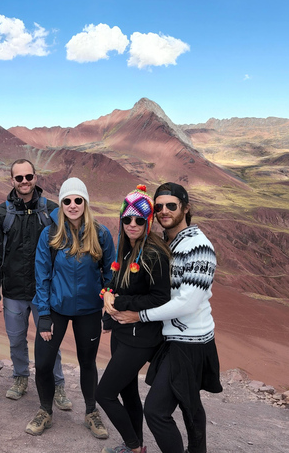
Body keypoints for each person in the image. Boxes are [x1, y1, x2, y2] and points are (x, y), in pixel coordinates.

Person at [112, 183, 222, 453]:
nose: (163, 211)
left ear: (186, 208)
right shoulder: (168, 243)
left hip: (191, 341)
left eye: (171, 205)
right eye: (158, 206)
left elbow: (188, 302)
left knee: (157, 411)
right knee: (189, 403)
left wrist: (139, 314)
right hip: (171, 338)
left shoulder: (199, 247)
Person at [25, 177, 116, 439]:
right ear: (62, 203)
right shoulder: (50, 235)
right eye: (67, 200)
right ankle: (45, 411)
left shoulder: (101, 234)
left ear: (85, 203)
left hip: (89, 310)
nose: (73, 205)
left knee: (87, 362)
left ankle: (91, 412)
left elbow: (111, 274)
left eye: (78, 200)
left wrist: (109, 310)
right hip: (56, 309)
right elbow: (41, 276)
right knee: (43, 364)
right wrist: (43, 315)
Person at [0, 159, 72, 408]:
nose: (24, 182)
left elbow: (64, 253)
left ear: (36, 177)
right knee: (15, 339)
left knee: (49, 341)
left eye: (28, 177)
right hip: (13, 291)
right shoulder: (2, 213)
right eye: (19, 178)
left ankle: (57, 385)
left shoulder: (53, 211)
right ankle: (20, 377)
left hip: (44, 293)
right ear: (12, 181)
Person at [97, 185, 171, 453]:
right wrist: (107, 295)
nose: (132, 224)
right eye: (127, 219)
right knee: (128, 392)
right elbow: (119, 285)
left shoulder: (153, 254)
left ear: (148, 221)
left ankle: (133, 446)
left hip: (140, 338)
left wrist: (119, 302)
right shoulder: (126, 249)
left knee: (103, 394)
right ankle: (136, 446)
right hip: (123, 333)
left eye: (139, 219)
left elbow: (161, 298)